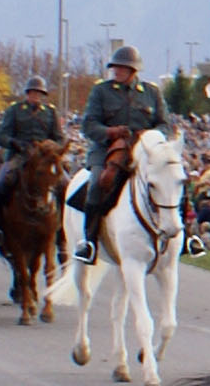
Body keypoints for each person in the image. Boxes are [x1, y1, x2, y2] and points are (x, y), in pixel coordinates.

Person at [73, 46, 171, 263]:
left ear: (133, 70)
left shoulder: (151, 92)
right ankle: (89, 243)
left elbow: (165, 125)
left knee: (172, 179)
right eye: (114, 67)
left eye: (121, 68)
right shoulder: (101, 91)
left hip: (144, 150)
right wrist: (110, 132)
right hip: (109, 150)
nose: (115, 71)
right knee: (97, 184)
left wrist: (151, 135)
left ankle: (185, 237)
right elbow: (89, 125)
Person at [0, 76, 67, 237]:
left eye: (39, 93)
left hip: (45, 157)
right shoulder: (14, 110)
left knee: (65, 184)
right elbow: (1, 136)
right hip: (20, 155)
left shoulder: (50, 112)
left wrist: (53, 145)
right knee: (0, 183)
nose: (35, 96)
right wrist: (15, 143)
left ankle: (62, 230)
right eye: (32, 93)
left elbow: (59, 137)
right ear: (27, 93)